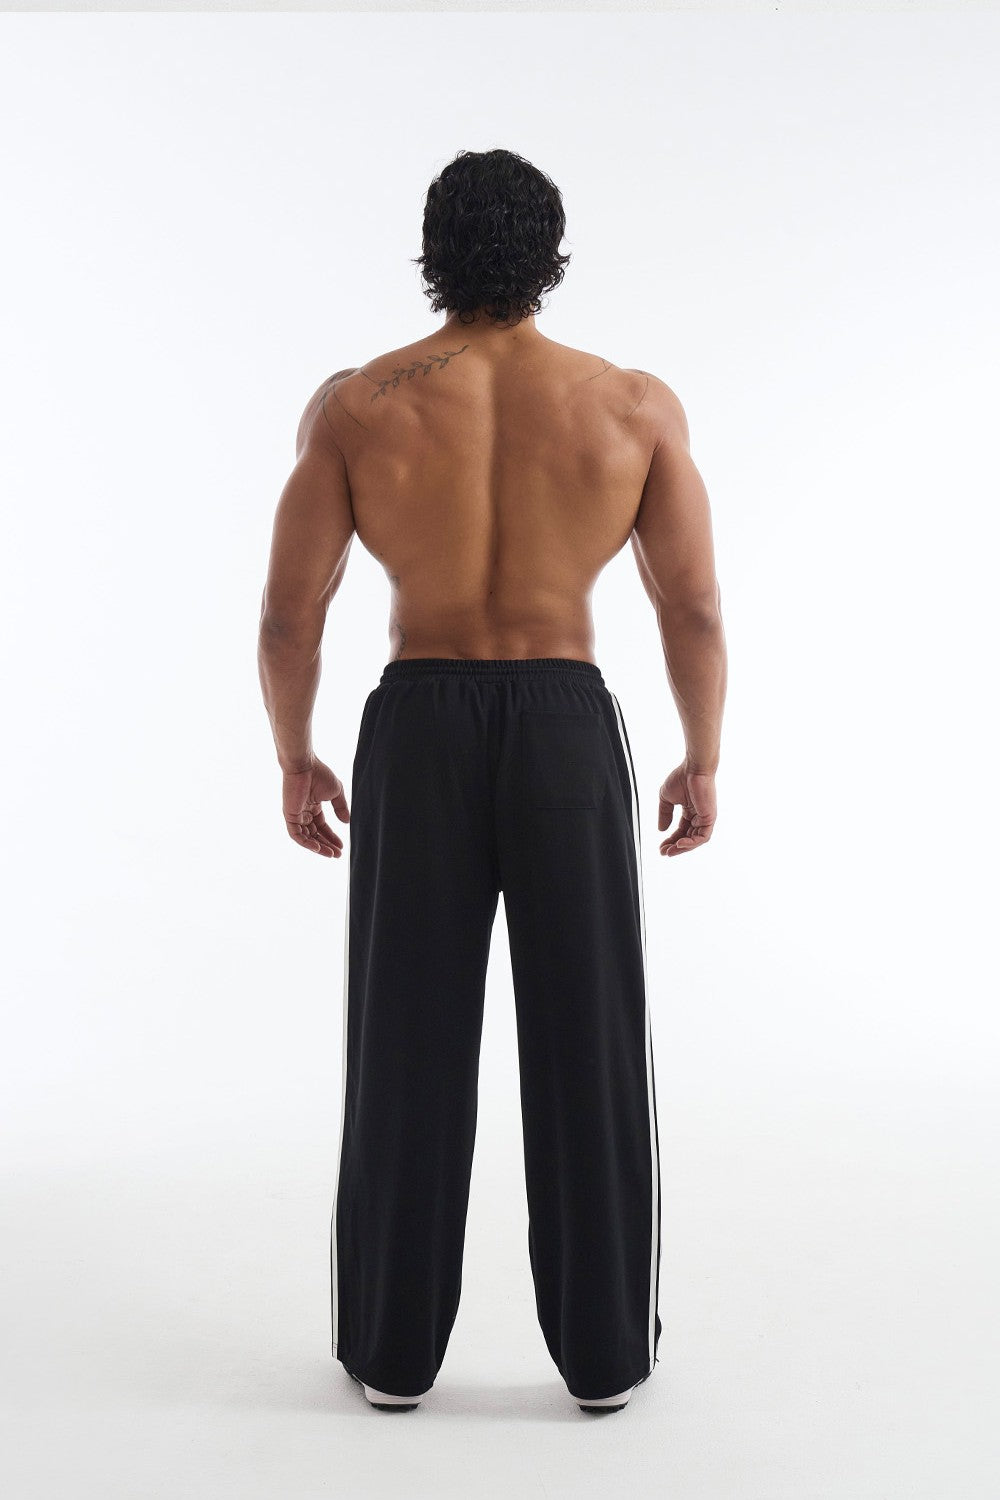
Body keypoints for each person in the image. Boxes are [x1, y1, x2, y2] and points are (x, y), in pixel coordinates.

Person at [257, 147, 727, 1415]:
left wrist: (296, 754)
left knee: (403, 1039)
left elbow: (291, 614)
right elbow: (689, 604)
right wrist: (700, 754)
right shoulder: (629, 405)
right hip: (566, 723)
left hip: (418, 723)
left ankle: (391, 1357)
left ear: (433, 252)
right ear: (550, 254)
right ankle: (605, 1363)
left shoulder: (359, 406)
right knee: (590, 1037)